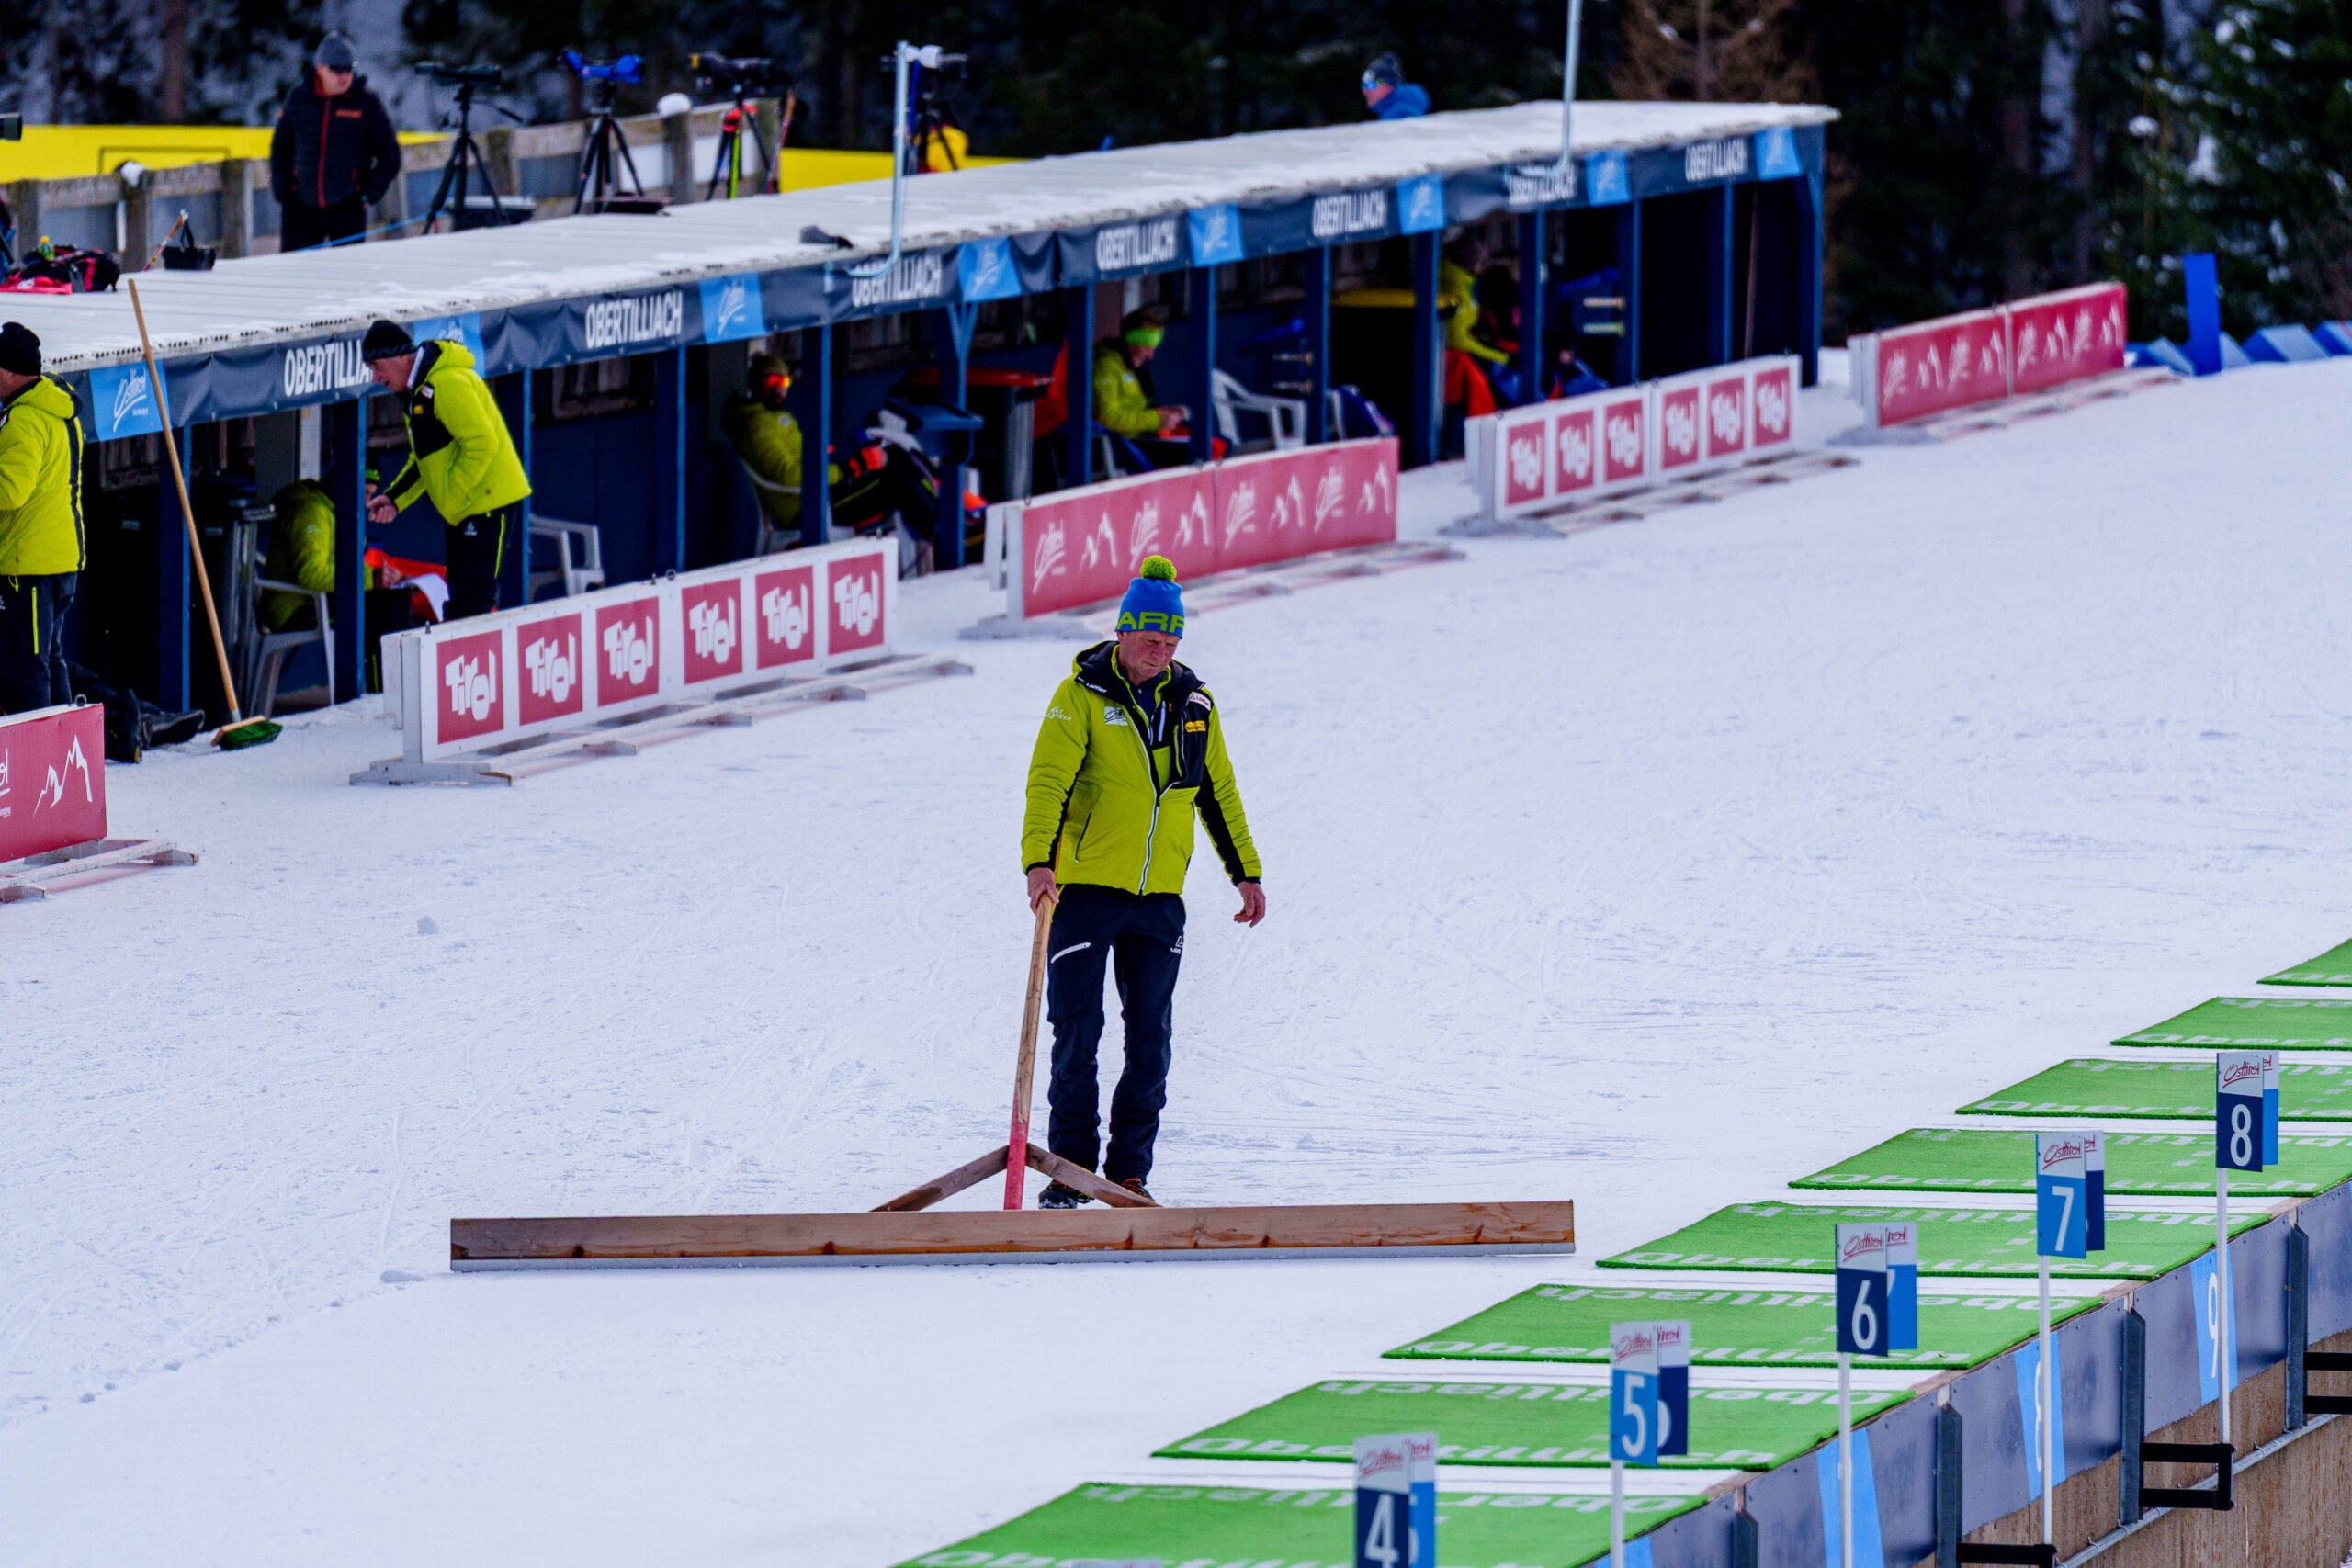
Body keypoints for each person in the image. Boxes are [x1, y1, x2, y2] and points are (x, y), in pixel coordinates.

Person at [1020, 557, 1265, 1207]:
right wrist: (1038, 861)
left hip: (1158, 902)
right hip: (1083, 893)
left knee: (1150, 1040)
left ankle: (1129, 1171)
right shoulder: (1080, 696)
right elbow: (1048, 783)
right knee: (1078, 1030)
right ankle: (1071, 1168)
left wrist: (1246, 872)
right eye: (1151, 640)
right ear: (1123, 630)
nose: (1161, 653)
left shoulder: (1195, 705)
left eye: (1171, 643)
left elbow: (1218, 792)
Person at [361, 321, 531, 620]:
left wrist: (452, 495)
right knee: (460, 600)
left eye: (377, 366)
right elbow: (425, 459)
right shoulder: (417, 392)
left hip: (487, 504)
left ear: (400, 357)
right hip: (467, 507)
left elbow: (482, 443)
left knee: (473, 603)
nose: (375, 378)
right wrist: (395, 499)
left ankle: (475, 651)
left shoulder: (446, 382)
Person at [720, 352, 944, 560]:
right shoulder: (756, 426)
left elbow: (800, 459)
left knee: (896, 456)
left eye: (784, 382)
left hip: (823, 488)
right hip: (811, 506)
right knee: (899, 483)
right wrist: (846, 469)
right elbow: (788, 475)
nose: (779, 389)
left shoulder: (775, 416)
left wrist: (834, 457)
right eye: (771, 382)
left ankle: (945, 516)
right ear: (755, 384)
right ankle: (946, 545)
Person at [0, 321, 86, 715]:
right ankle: (64, 745)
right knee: (50, 659)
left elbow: (11, 490)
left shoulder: (24, 419)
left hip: (30, 564)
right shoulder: (60, 409)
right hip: (63, 558)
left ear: (9, 372)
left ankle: (40, 751)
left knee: (28, 669)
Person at [270, 32, 401, 253]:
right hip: (300, 207)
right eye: (336, 70)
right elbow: (280, 147)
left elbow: (390, 155)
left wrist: (368, 195)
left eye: (349, 70)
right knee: (295, 269)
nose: (344, 76)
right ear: (320, 68)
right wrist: (282, 189)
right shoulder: (297, 99)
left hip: (348, 207)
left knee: (347, 271)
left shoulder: (367, 103)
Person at [1092, 306, 1187, 468]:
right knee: (1195, 453)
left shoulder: (1135, 370)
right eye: (1147, 345)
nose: (1151, 355)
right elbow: (1107, 418)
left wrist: (1163, 413)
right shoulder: (1106, 367)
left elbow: (1136, 409)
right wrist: (1156, 419)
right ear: (1132, 342)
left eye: (1155, 345)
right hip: (1118, 445)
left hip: (1138, 438)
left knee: (1214, 441)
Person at [1361, 53, 1430, 120]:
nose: (1365, 90)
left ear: (1389, 84)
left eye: (1371, 85)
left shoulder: (1398, 116)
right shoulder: (1395, 110)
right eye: (1364, 86)